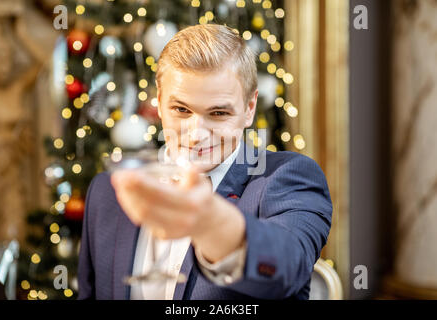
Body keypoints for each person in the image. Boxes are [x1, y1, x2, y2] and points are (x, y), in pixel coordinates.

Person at [77, 24, 332, 300]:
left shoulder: (288, 177)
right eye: (181, 109)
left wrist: (208, 221)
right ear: (160, 102)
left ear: (249, 109)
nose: (196, 134)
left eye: (219, 113)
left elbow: (288, 269)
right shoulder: (107, 191)